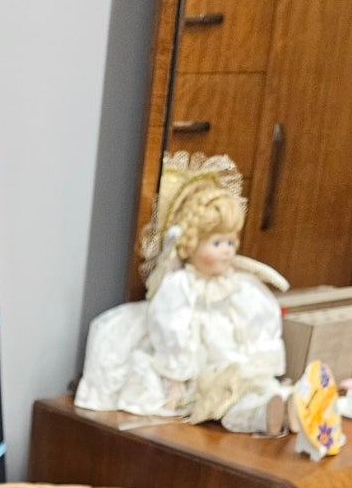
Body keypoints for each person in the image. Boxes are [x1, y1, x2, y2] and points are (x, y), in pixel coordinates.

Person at [76, 152, 290, 435]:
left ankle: (283, 407)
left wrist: (260, 358)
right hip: (198, 365)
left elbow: (257, 319)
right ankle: (263, 416)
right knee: (218, 399)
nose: (228, 249)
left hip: (227, 356)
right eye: (217, 243)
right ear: (190, 244)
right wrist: (177, 375)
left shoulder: (239, 284)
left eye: (230, 241)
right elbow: (171, 330)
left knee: (250, 382)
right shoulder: (179, 286)